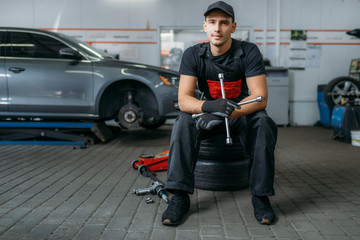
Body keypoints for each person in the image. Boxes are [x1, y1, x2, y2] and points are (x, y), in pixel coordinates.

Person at [162, 1, 278, 226]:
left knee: (263, 123)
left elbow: (260, 97)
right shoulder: (193, 54)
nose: (218, 28)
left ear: (233, 27)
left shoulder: (249, 52)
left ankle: (261, 197)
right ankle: (179, 197)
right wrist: (207, 108)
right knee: (183, 122)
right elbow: (184, 99)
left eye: (224, 23)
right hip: (209, 115)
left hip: (241, 114)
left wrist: (224, 113)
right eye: (212, 22)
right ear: (204, 26)